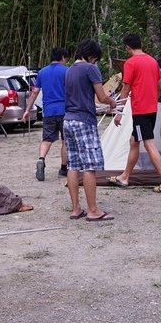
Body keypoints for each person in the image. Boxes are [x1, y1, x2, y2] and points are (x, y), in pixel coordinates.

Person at [108, 33, 161, 193]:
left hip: (140, 111)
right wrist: (153, 100)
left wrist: (119, 112)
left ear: (128, 47)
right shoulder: (152, 61)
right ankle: (125, 177)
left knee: (149, 143)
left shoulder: (130, 63)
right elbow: (159, 87)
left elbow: (125, 88)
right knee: (134, 141)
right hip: (152, 109)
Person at [63, 38, 117, 221]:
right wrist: (112, 102)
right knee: (89, 167)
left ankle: (76, 208)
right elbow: (101, 97)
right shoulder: (90, 68)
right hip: (84, 122)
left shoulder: (69, 70)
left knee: (72, 166)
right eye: (96, 58)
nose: (96, 62)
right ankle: (93, 210)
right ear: (92, 55)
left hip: (68, 121)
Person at [22, 47, 69, 181]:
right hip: (64, 110)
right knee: (65, 140)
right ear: (63, 58)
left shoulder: (42, 72)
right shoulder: (66, 71)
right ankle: (63, 168)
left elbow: (35, 92)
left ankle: (41, 159)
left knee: (47, 139)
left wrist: (27, 110)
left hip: (48, 111)